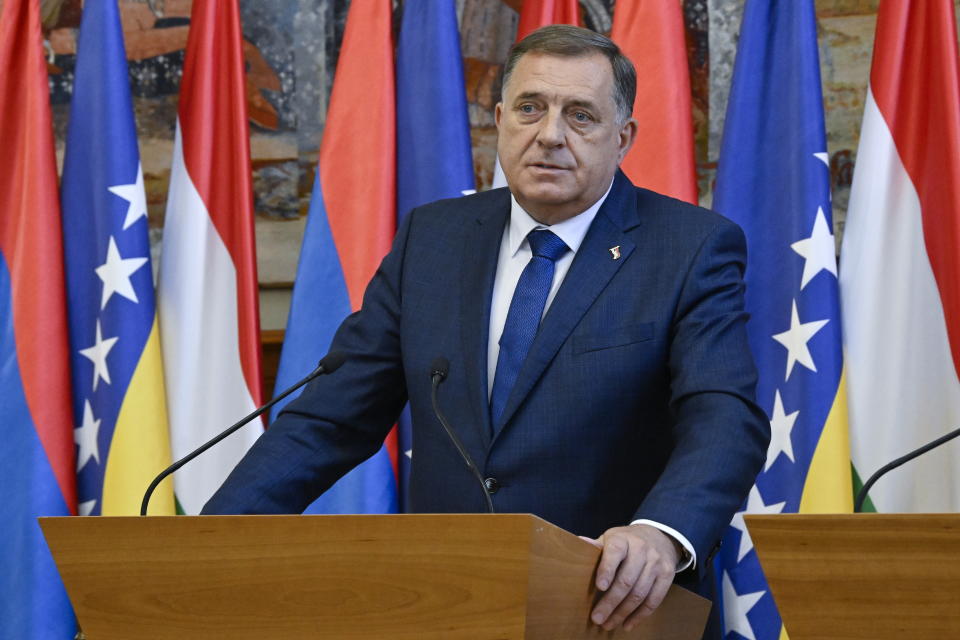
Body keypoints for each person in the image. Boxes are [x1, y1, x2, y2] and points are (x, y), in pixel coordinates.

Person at [203, 25, 769, 638]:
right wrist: (206, 542)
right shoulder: (433, 240)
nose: (549, 134)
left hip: (610, 609)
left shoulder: (689, 248)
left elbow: (723, 417)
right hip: (448, 604)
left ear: (623, 138)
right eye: (530, 108)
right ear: (499, 119)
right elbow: (332, 419)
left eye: (580, 115)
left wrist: (660, 532)